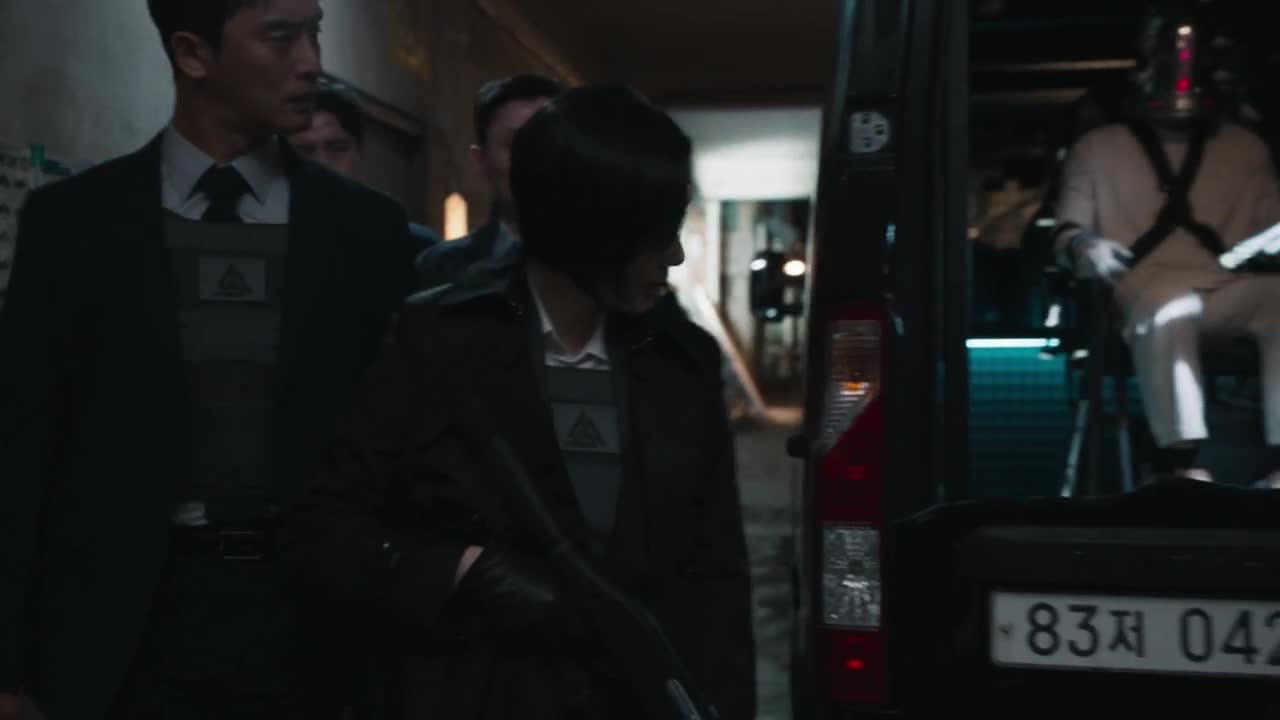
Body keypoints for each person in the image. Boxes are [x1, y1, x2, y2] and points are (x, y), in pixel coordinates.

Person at [282, 83, 757, 719]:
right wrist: (461, 570)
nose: (673, 255)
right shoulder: (440, 340)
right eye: (655, 233)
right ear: (588, 225)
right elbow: (327, 528)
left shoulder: (682, 363)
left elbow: (718, 584)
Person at [0, 1, 419, 717]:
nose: (312, 63)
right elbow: (21, 445)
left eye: (314, 32)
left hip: (313, 621)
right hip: (121, 621)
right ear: (193, 54)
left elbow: (397, 442)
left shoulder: (365, 230)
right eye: (281, 38)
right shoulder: (74, 224)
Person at [1054, 4, 1280, 485]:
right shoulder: (1098, 149)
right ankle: (1182, 459)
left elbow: (1270, 225)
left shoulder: (1245, 149)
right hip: (1143, 285)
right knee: (1168, 308)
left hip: (1227, 284)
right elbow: (1068, 230)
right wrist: (1088, 247)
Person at [415, 73, 564, 288]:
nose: (536, 159)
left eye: (548, 142)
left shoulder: (607, 266)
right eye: (517, 144)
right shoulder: (442, 267)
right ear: (482, 160)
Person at [290, 83, 443, 250]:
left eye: (338, 148)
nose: (322, 163)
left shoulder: (409, 244)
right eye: (304, 151)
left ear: (360, 152)